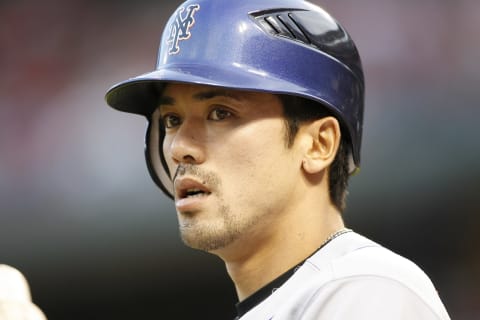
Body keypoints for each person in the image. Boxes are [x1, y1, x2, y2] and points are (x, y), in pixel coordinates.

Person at [106, 0, 451, 319]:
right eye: (172, 120)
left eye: (220, 113)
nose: (180, 147)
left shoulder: (369, 289)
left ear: (319, 144)